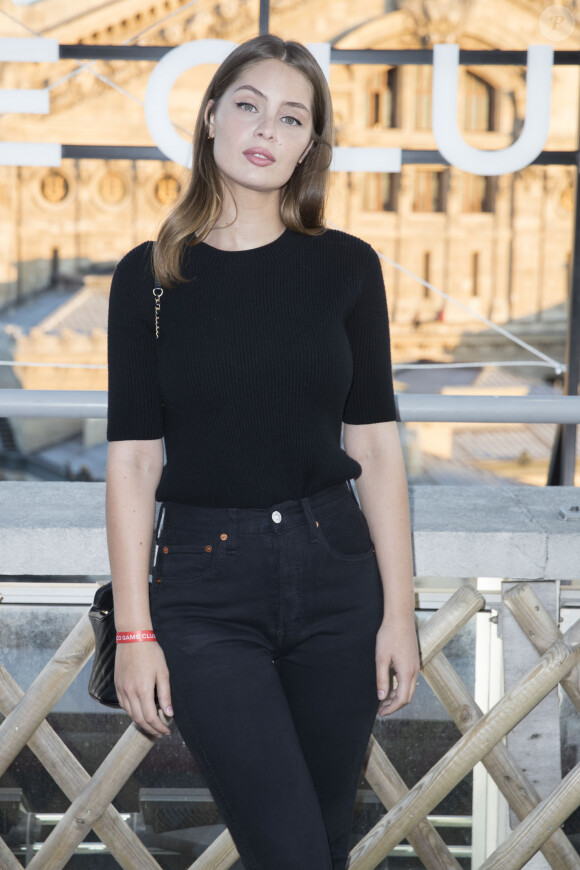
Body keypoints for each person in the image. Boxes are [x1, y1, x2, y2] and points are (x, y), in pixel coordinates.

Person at [106, 33, 420, 870]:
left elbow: (377, 444)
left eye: (292, 118)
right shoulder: (149, 278)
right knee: (291, 851)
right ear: (211, 117)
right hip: (205, 592)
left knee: (321, 842)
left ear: (310, 146)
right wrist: (135, 631)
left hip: (336, 578)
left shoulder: (347, 268)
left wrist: (400, 611)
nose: (265, 129)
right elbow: (135, 461)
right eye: (248, 104)